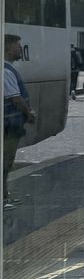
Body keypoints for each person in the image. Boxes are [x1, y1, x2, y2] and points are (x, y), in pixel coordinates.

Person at [4, 35, 36, 209]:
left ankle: (5, 196)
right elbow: (16, 99)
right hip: (9, 125)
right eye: (17, 45)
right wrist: (28, 114)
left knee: (6, 161)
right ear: (8, 48)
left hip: (10, 124)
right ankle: (3, 198)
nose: (20, 48)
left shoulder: (8, 69)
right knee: (5, 161)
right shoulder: (6, 71)